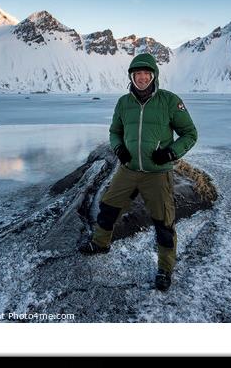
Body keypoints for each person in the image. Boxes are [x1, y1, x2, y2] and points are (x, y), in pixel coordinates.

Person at [78, 52, 198, 291]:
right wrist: (119, 148)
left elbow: (190, 134)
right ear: (131, 76)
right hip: (129, 169)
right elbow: (115, 131)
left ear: (154, 76)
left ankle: (165, 269)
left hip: (158, 173)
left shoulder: (169, 101)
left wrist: (171, 153)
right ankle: (101, 243)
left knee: (164, 221)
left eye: (146, 73)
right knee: (109, 206)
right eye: (137, 74)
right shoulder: (124, 103)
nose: (142, 78)